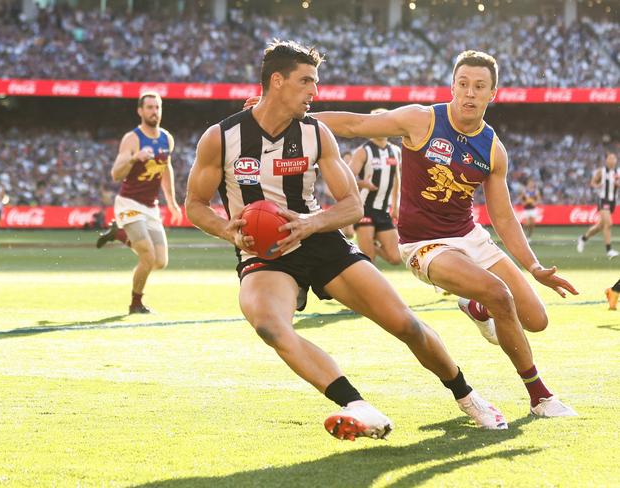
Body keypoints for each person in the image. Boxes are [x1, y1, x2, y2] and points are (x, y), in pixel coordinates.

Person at [187, 40, 507, 442]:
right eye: (307, 82)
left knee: (406, 325)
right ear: (277, 81)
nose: (315, 92)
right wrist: (226, 228)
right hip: (263, 253)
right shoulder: (221, 137)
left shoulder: (316, 133)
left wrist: (308, 222)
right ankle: (356, 406)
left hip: (321, 241)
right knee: (269, 326)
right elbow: (195, 205)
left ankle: (468, 396)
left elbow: (352, 206)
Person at [281, 50, 580, 417]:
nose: (469, 93)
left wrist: (534, 267)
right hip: (425, 244)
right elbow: (354, 125)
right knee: (499, 294)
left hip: (470, 235)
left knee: (536, 319)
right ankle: (540, 397)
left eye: (479, 87)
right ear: (452, 86)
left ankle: (475, 306)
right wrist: (294, 118)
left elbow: (502, 218)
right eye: (463, 84)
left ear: (493, 94)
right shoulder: (422, 120)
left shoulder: (493, 149)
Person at [97, 92, 182, 313]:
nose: (154, 111)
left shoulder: (167, 138)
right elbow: (116, 174)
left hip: (150, 206)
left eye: (157, 107)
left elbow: (166, 169)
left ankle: (118, 234)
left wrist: (171, 201)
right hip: (129, 203)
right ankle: (136, 303)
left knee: (160, 261)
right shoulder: (132, 139)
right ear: (140, 111)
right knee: (148, 256)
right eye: (150, 107)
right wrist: (134, 158)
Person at [350, 109, 401, 265]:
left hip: (384, 210)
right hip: (364, 209)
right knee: (369, 259)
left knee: (396, 258)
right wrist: (362, 183)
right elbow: (347, 178)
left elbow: (397, 179)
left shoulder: (395, 151)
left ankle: (360, 246)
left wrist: (396, 204)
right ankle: (363, 248)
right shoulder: (363, 151)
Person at [577, 151, 619, 259]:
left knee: (600, 226)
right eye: (610, 158)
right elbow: (592, 183)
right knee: (608, 224)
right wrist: (598, 185)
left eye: (614, 158)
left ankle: (583, 238)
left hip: (612, 201)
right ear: (606, 160)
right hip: (603, 200)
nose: (612, 161)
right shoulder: (602, 171)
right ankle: (609, 250)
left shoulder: (618, 172)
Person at [518, 177, 542, 243]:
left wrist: (535, 203)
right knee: (526, 224)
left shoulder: (536, 191)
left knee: (532, 224)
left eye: (532, 183)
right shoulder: (525, 191)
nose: (531, 184)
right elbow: (520, 198)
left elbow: (539, 199)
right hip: (526, 209)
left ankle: (529, 237)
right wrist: (524, 203)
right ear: (528, 183)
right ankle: (523, 236)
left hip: (533, 209)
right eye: (530, 183)